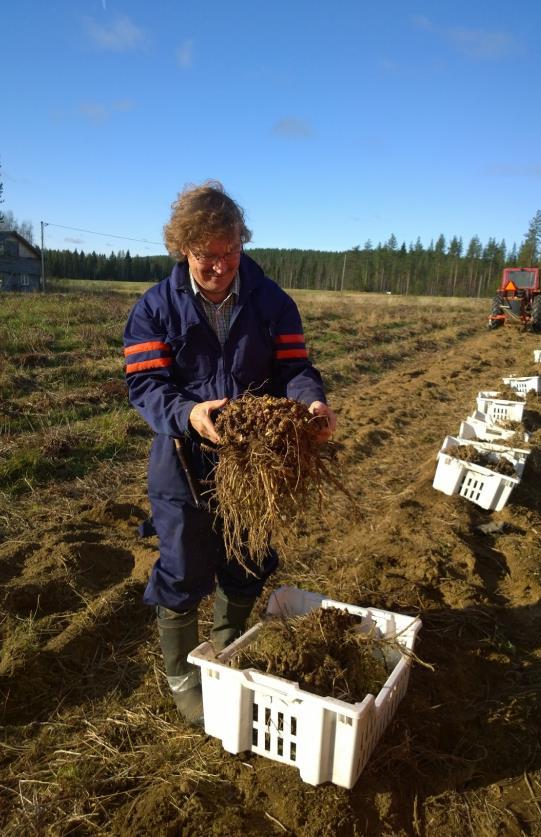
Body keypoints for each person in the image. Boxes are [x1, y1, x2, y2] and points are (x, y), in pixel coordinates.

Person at [123, 181, 336, 724]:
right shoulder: (155, 309)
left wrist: (310, 405)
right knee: (184, 565)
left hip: (259, 463)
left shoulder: (272, 302)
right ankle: (180, 676)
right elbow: (147, 386)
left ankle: (225, 651)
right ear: (184, 250)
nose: (220, 265)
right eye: (206, 256)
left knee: (250, 557)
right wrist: (189, 415)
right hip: (184, 463)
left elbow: (294, 370)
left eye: (230, 251)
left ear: (241, 241)